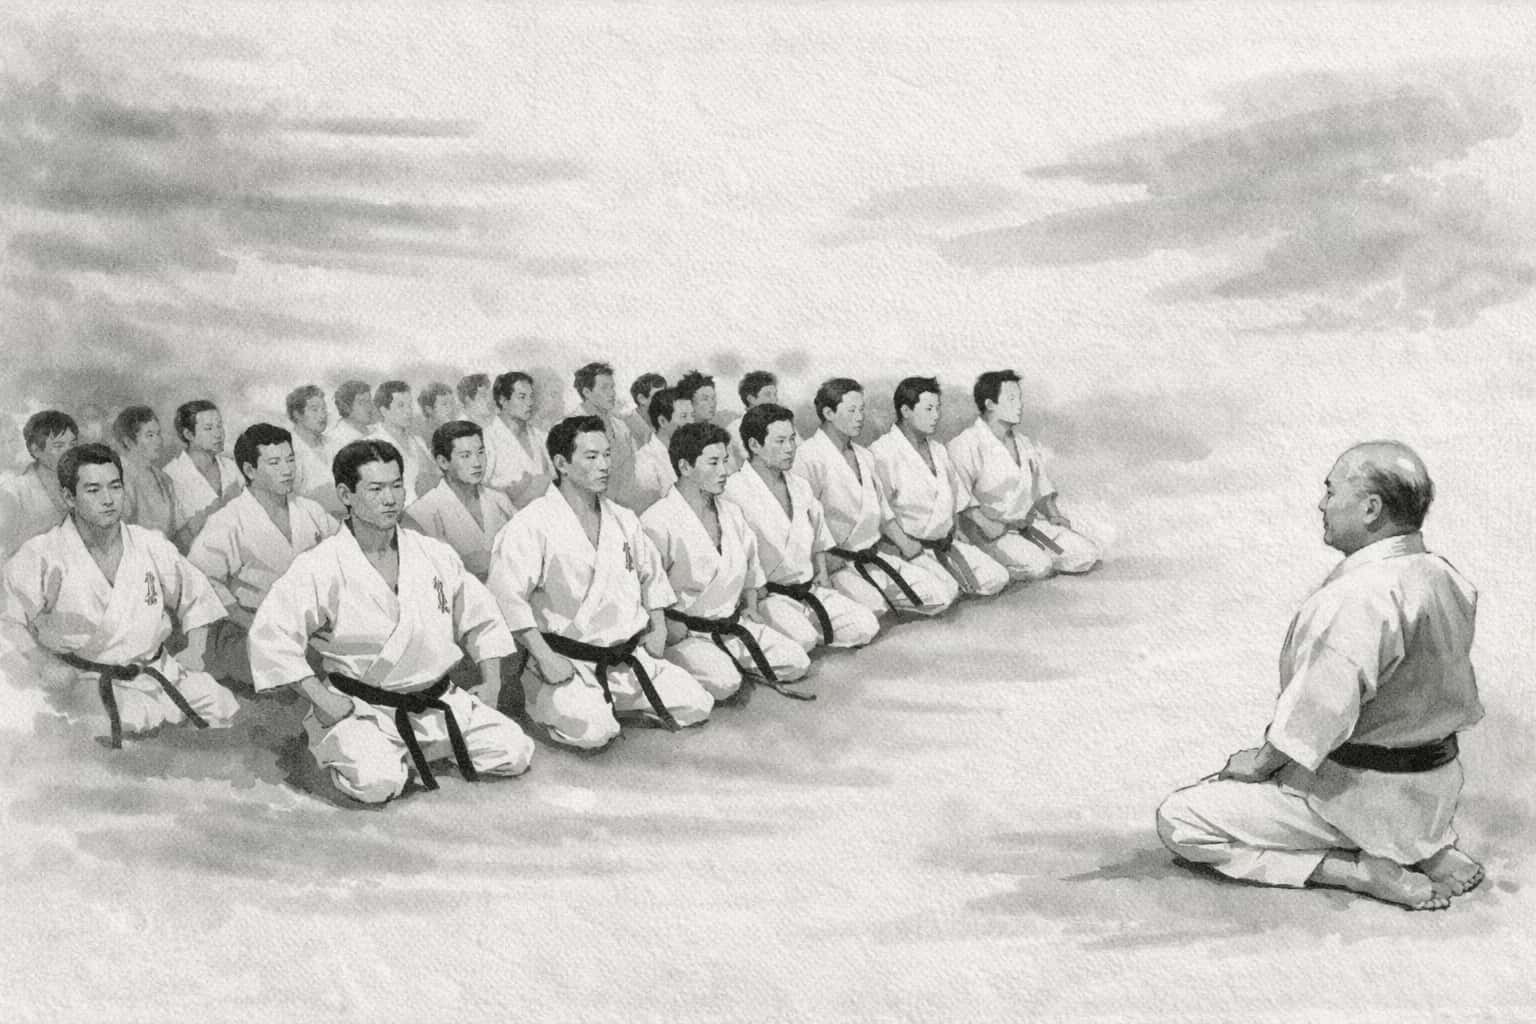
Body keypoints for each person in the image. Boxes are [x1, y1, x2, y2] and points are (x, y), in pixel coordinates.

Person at [1156, 442, 1485, 911]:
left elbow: (1318, 715)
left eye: (1331, 492)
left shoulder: (1356, 597)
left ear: (1371, 509)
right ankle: (1429, 851)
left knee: (1180, 818)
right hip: (1433, 789)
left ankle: (1355, 870)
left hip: (1360, 798)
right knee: (1343, 773)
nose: (1322, 504)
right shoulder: (1445, 578)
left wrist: (1258, 764)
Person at [248, 439, 533, 805]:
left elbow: (483, 618)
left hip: (435, 701)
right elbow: (271, 636)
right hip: (364, 709)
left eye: (397, 485)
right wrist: (320, 699)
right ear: (345, 494)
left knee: (515, 752)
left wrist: (491, 681)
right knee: (376, 784)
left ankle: (411, 754)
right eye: (376, 489)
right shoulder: (321, 564)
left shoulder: (433, 554)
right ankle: (356, 748)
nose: (390, 499)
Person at [487, 416, 714, 750]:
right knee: (594, 733)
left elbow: (652, 577)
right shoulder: (530, 525)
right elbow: (507, 598)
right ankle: (545, 697)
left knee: (697, 705)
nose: (604, 465)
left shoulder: (623, 519)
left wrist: (659, 627)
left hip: (625, 657)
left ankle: (609, 702)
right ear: (562, 463)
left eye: (607, 455)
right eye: (591, 457)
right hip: (567, 661)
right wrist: (544, 656)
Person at [0, 444, 238, 747]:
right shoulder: (43, 553)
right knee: (127, 724)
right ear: (69, 497)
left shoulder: (150, 544)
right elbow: (7, 620)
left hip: (157, 671)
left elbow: (196, 594)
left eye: (115, 486)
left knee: (222, 705)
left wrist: (196, 648)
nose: (108, 499)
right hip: (86, 679)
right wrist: (43, 665)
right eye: (93, 490)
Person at [642, 423, 813, 701]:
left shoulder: (731, 512)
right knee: (725, 684)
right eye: (713, 463)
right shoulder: (656, 521)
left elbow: (751, 567)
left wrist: (752, 605)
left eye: (725, 461)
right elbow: (645, 586)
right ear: (685, 467)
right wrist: (664, 627)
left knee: (796, 661)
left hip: (731, 622)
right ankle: (698, 665)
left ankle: (728, 659)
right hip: (686, 632)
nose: (724, 471)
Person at [189, 424, 339, 688]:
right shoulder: (228, 521)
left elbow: (342, 557)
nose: (287, 469)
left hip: (310, 624)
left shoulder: (311, 511)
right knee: (290, 658)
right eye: (275, 462)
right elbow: (200, 580)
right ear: (250, 470)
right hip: (248, 629)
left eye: (290, 459)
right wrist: (248, 620)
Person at [792, 378, 956, 618]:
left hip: (873, 555)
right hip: (836, 563)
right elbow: (801, 523)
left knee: (945, 592)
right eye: (851, 411)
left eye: (861, 410)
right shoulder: (807, 458)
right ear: (828, 413)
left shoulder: (864, 456)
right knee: (875, 608)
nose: (860, 417)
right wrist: (821, 566)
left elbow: (884, 513)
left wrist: (909, 546)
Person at [723, 404, 878, 651]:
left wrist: (823, 577)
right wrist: (749, 601)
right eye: (781, 441)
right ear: (754, 445)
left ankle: (806, 627)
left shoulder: (799, 486)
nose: (790, 448)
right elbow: (733, 558)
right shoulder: (733, 491)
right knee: (803, 640)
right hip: (768, 596)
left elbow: (819, 540)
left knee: (866, 625)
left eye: (793, 439)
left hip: (808, 588)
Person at [947, 370, 1100, 580]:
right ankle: (988, 564)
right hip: (989, 533)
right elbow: (961, 500)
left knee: (1085, 555)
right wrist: (986, 525)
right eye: (1011, 399)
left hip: (1028, 526)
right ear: (990, 404)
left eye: (1019, 398)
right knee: (1039, 567)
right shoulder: (964, 444)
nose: (1019, 405)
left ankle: (1032, 551)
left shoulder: (1023, 443)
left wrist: (1053, 515)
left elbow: (1041, 489)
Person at [869, 377, 1009, 598]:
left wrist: (958, 529)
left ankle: (950, 579)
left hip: (944, 544)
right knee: (944, 595)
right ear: (906, 410)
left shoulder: (938, 450)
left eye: (938, 408)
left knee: (997, 578)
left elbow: (958, 497)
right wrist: (904, 544)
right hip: (908, 550)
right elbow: (880, 512)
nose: (936, 415)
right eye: (929, 409)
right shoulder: (881, 453)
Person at [403, 421, 515, 581]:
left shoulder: (499, 500)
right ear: (443, 462)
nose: (477, 463)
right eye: (465, 456)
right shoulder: (422, 513)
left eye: (481, 452)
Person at [163, 399, 242, 551]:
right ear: (188, 434)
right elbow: (170, 542)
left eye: (219, 426)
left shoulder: (232, 468)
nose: (218, 433)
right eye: (209, 428)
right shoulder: (171, 476)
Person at [0, 410, 76, 564]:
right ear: (36, 450)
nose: (70, 452)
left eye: (73, 444)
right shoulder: (15, 492)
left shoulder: (81, 485)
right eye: (59, 445)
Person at [482, 371, 555, 510]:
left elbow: (555, 480)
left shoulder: (541, 436)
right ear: (503, 400)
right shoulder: (487, 439)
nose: (530, 403)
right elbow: (481, 493)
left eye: (531, 396)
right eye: (522, 397)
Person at [574, 361, 641, 510]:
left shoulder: (621, 427)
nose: (612, 393)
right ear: (587, 392)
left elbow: (631, 472)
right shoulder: (569, 427)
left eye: (612, 387)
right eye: (604, 388)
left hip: (623, 508)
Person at [113, 406, 181, 541]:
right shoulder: (119, 477)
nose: (158, 441)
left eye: (158, 434)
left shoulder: (164, 479)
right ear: (128, 442)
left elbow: (174, 529)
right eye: (150, 435)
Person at [367, 381, 437, 504]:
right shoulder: (371, 444)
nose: (408, 411)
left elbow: (435, 477)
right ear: (384, 411)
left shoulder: (418, 441)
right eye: (401, 406)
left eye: (410, 405)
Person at [631, 387, 693, 511]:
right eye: (684, 416)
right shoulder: (644, 461)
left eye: (692, 415)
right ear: (663, 421)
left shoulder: (692, 453)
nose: (691, 422)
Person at [285, 384, 340, 514]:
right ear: (297, 414)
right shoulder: (288, 449)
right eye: (314, 409)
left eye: (324, 409)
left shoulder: (333, 445)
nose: (322, 415)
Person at [725, 370, 778, 472]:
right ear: (751, 399)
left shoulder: (783, 424)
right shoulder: (735, 428)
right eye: (768, 395)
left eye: (775, 395)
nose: (774, 400)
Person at [323, 380, 375, 460]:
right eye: (361, 402)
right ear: (346, 407)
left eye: (369, 401)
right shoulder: (334, 440)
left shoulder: (376, 431)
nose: (369, 407)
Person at [622, 372, 667, 447]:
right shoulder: (625, 423)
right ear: (642, 399)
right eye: (659, 396)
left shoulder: (664, 420)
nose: (665, 400)